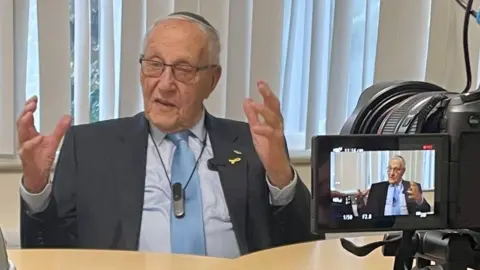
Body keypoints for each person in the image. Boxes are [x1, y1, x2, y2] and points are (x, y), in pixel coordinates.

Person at [17, 11, 321, 258]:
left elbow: (304, 248)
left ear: (212, 80)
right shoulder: (89, 147)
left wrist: (282, 176)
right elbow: (46, 254)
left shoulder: (252, 142)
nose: (164, 84)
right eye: (154, 65)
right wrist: (35, 188)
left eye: (183, 69)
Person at [357, 155, 431, 217]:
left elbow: (426, 210)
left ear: (403, 171)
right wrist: (360, 202)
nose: (391, 173)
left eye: (396, 169)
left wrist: (419, 199)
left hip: (406, 228)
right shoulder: (377, 188)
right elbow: (366, 215)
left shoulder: (413, 187)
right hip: (383, 228)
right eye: (389, 169)